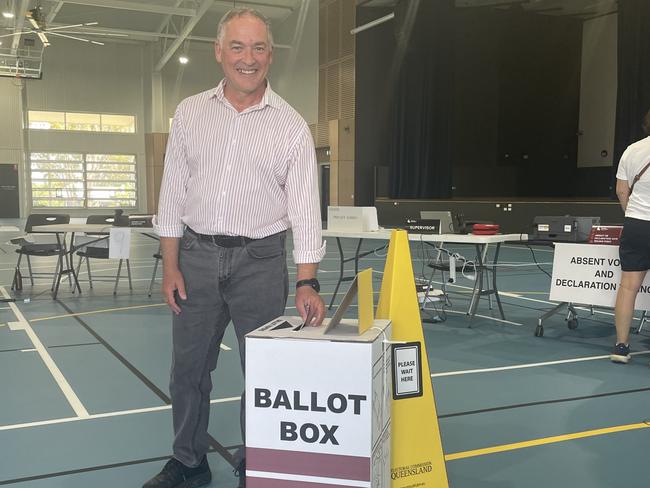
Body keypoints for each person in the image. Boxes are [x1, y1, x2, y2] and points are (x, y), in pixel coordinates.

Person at [143, 8, 326, 488]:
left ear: (272, 55)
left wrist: (307, 279)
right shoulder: (189, 112)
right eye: (239, 47)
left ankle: (257, 464)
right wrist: (170, 266)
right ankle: (188, 461)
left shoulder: (290, 126)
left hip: (261, 263)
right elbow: (172, 194)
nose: (249, 59)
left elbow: (305, 208)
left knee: (263, 374)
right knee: (188, 371)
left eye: (259, 48)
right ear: (219, 52)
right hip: (197, 259)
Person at [610, 109, 650, 364]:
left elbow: (621, 190)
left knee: (628, 287)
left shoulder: (632, 150)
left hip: (636, 225)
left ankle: (621, 346)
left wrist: (632, 213)